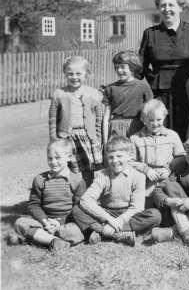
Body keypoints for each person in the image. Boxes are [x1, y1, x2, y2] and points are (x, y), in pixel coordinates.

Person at [138, 0, 189, 140]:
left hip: (188, 88)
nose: (167, 9)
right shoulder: (150, 33)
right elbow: (141, 65)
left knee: (188, 128)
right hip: (160, 91)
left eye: (171, 5)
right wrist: (153, 79)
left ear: (180, 7)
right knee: (161, 128)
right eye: (163, 5)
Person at [72, 136, 162, 246]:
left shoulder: (138, 176)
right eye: (111, 157)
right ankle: (119, 234)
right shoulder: (102, 175)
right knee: (77, 210)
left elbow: (137, 207)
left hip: (127, 214)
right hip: (105, 212)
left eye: (119, 156)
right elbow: (86, 200)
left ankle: (102, 232)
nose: (115, 161)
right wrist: (109, 219)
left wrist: (119, 221)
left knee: (155, 215)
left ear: (129, 156)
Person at [9, 139, 86, 251]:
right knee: (20, 223)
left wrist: (59, 222)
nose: (53, 162)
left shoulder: (77, 180)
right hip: (44, 222)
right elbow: (34, 205)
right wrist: (45, 221)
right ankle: (53, 241)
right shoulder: (40, 179)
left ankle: (36, 238)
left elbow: (79, 207)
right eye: (50, 158)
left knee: (73, 231)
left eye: (57, 158)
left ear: (69, 157)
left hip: (67, 222)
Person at [49, 56, 103, 186]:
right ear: (65, 74)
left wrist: (98, 138)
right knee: (72, 168)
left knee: (91, 168)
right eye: (70, 74)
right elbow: (52, 118)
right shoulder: (59, 94)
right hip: (66, 138)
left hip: (87, 137)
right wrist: (54, 139)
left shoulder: (93, 93)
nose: (74, 77)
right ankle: (73, 193)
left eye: (78, 74)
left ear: (86, 74)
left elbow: (98, 119)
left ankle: (91, 194)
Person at [130, 99, 185, 201]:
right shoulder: (136, 139)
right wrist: (146, 170)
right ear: (143, 120)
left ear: (164, 117)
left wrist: (168, 169)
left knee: (175, 204)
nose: (155, 124)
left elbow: (181, 157)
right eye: (151, 120)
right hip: (146, 183)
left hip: (168, 181)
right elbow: (130, 161)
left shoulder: (172, 136)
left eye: (158, 120)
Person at [102, 50, 153, 145]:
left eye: (122, 67)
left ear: (133, 68)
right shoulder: (110, 89)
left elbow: (150, 112)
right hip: (115, 128)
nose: (119, 70)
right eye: (116, 67)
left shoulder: (143, 87)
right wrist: (105, 142)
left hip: (137, 128)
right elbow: (106, 117)